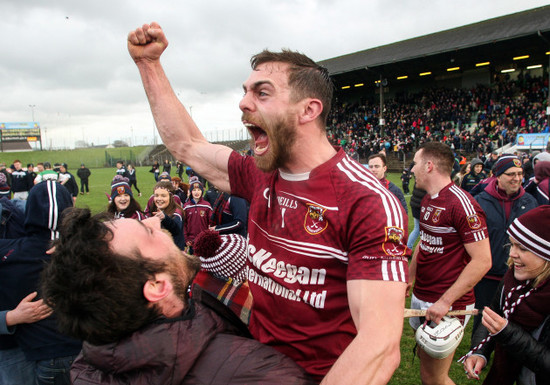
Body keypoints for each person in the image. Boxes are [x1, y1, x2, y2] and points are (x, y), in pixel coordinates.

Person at [128, 22, 408, 383]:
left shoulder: (366, 201)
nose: (243, 103)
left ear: (308, 110)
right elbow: (186, 145)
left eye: (262, 93)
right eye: (245, 92)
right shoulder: (259, 173)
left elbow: (379, 344)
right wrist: (149, 65)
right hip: (255, 363)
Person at [40, 208, 316, 385]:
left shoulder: (89, 366)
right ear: (157, 286)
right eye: (148, 232)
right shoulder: (257, 371)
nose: (153, 220)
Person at [407, 142, 491, 385]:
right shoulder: (427, 200)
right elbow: (424, 242)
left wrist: (445, 301)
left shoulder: (462, 205)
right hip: (422, 296)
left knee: (434, 378)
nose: (412, 169)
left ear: (429, 166)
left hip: (447, 303)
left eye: (415, 163)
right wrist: (411, 278)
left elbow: (483, 260)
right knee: (426, 370)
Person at [0, 180, 82, 385]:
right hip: (16, 347)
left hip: (36, 348)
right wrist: (8, 318)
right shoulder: (85, 251)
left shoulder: (11, 248)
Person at [463, 205, 550, 385]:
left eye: (523, 249)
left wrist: (507, 333)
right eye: (511, 244)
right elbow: (495, 315)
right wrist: (480, 351)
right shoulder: (513, 278)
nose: (512, 254)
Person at [471, 155, 538, 337]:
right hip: (487, 275)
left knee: (515, 321)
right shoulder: (480, 202)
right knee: (483, 319)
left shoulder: (530, 202)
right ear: (497, 176)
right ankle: (476, 358)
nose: (517, 178)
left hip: (519, 274)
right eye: (511, 174)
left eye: (520, 173)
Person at [148, 180, 185, 250]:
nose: (159, 199)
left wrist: (165, 218)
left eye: (163, 196)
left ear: (171, 197)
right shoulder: (155, 209)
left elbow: (176, 229)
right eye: (156, 195)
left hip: (173, 254)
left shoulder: (177, 212)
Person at [183, 177, 212, 248]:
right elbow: (184, 224)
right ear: (191, 192)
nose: (196, 192)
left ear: (202, 191)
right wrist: (186, 238)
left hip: (204, 239)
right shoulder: (186, 206)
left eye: (199, 190)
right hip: (191, 240)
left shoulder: (207, 205)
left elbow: (211, 223)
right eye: (194, 190)